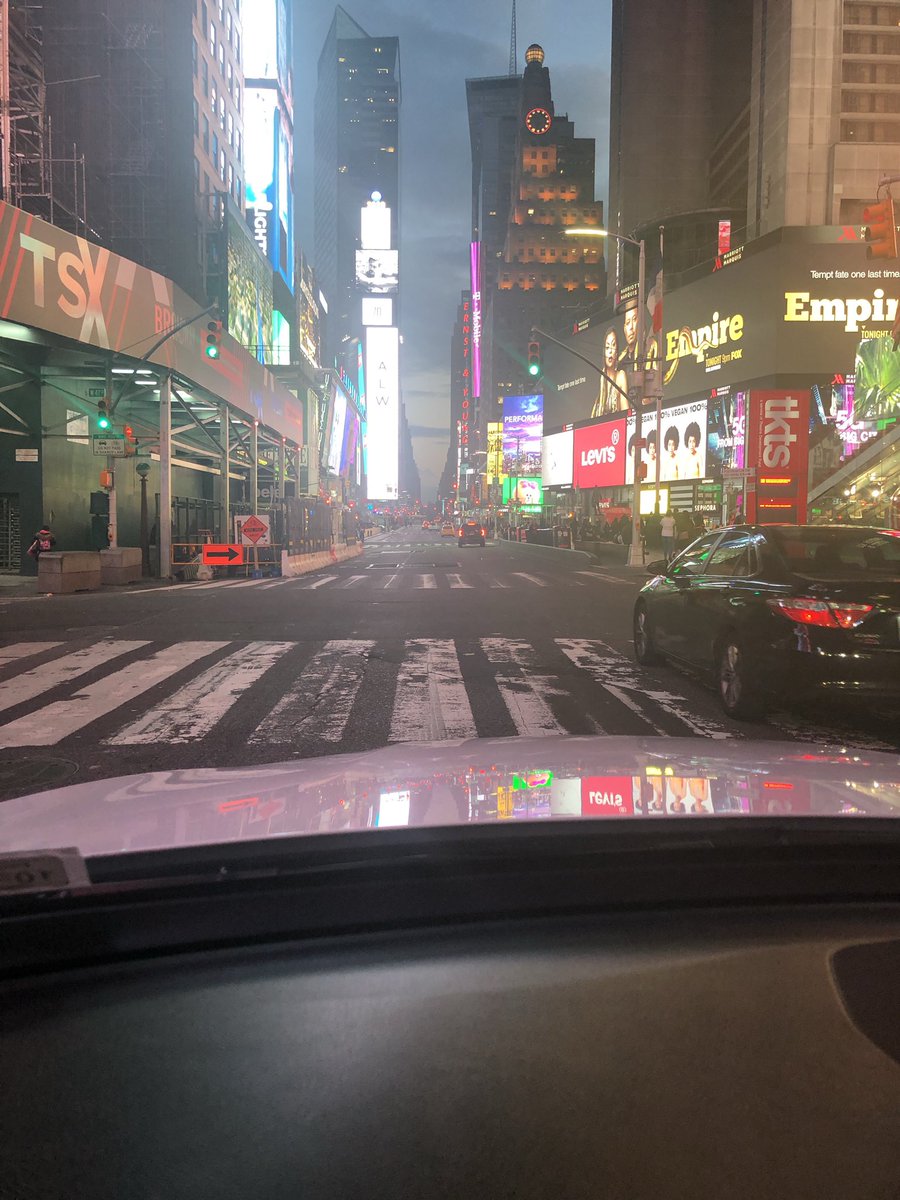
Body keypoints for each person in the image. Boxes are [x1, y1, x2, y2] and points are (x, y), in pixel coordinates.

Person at [591, 327, 629, 417]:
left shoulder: (620, 376)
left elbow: (626, 410)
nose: (610, 351)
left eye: (613, 346)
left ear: (616, 353)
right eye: (607, 347)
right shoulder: (601, 379)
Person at [618, 304, 639, 372]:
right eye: (628, 323)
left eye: (634, 319)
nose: (631, 327)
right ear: (624, 329)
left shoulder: (648, 351)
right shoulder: (620, 362)